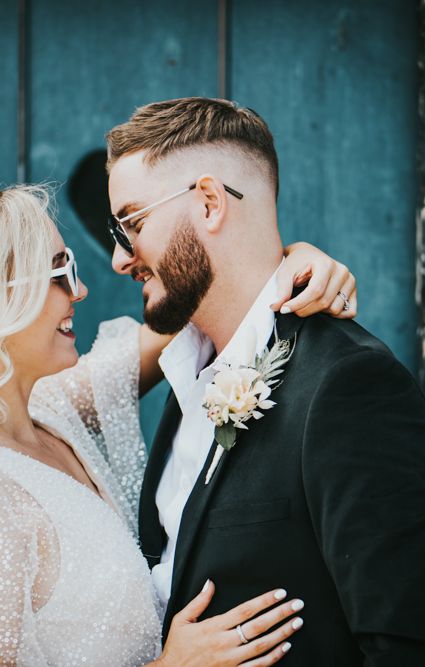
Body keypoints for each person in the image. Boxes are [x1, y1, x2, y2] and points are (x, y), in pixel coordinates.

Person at [0, 184, 356, 666]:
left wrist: (291, 262)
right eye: (58, 273)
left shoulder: (55, 414)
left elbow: (211, 300)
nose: (80, 290)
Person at [106, 97, 425, 666]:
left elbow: (402, 640)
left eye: (131, 223)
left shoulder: (347, 384)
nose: (118, 258)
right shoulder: (186, 380)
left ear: (208, 203)